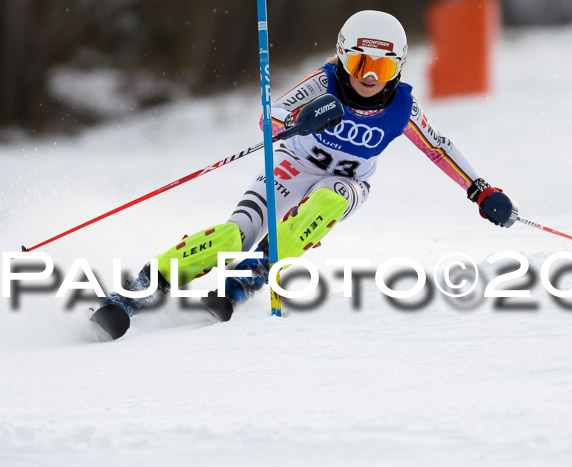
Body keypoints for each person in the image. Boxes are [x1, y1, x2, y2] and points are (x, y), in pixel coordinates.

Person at [90, 10, 517, 336]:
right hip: (291, 167)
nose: (369, 76)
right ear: (343, 55)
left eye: (383, 68)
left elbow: (438, 148)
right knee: (233, 235)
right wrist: (301, 120)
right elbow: (270, 119)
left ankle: (245, 279)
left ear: (400, 67)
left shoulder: (401, 107)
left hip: (347, 183)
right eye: (360, 63)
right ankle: (140, 288)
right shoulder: (323, 82)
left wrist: (480, 191)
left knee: (323, 205)